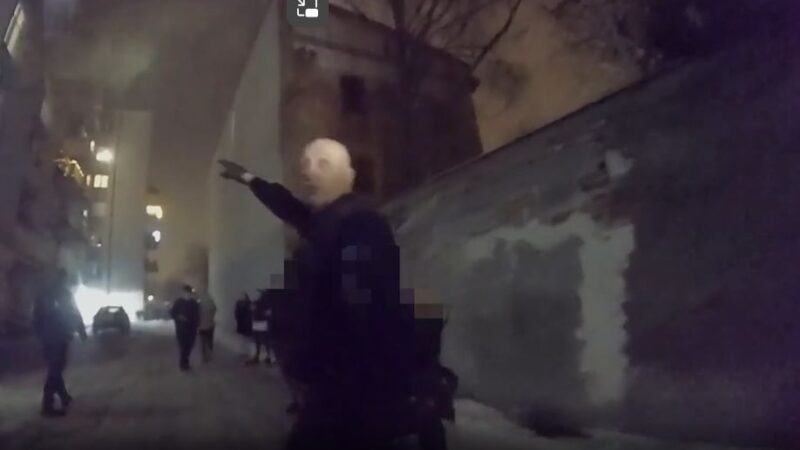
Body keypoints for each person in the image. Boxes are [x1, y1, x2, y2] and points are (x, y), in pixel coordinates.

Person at [219, 138, 441, 449]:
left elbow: (364, 310)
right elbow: (288, 205)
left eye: (322, 164)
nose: (308, 171)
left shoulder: (358, 224)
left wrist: (339, 375)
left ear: (348, 176)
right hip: (334, 383)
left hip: (351, 386)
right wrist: (248, 178)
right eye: (305, 165)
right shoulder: (326, 221)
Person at [32, 269, 87, 417]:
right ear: (62, 279)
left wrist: (39, 334)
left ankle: (63, 396)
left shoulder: (45, 294)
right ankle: (47, 404)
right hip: (58, 336)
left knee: (56, 367)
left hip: (50, 337)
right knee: (55, 369)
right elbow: (74, 312)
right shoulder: (62, 294)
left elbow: (36, 317)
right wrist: (81, 330)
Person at [170, 285, 200, 371]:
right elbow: (172, 313)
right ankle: (183, 364)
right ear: (183, 293)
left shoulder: (194, 303)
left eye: (188, 293)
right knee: (183, 346)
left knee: (189, 346)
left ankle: (185, 362)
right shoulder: (178, 302)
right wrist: (178, 317)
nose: (187, 294)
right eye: (185, 293)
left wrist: (197, 326)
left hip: (191, 329)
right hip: (181, 329)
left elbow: (197, 315)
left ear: (190, 293)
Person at [248, 289, 276, 365]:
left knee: (264, 342)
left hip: (262, 324)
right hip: (257, 323)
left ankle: (268, 358)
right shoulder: (257, 302)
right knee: (260, 342)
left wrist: (257, 311)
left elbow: (268, 313)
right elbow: (255, 311)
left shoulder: (265, 301)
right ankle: (261, 357)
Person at [198, 290, 218, 362]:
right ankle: (210, 354)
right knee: (210, 340)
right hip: (210, 325)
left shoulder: (200, 305)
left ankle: (204, 356)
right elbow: (215, 310)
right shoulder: (212, 304)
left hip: (202, 326)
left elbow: (197, 314)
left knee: (203, 342)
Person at [234, 292, 253, 358]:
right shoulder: (248, 303)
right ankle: (245, 351)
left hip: (244, 323)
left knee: (244, 339)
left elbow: (236, 313)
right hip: (245, 323)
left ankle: (245, 351)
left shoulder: (239, 303)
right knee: (245, 339)